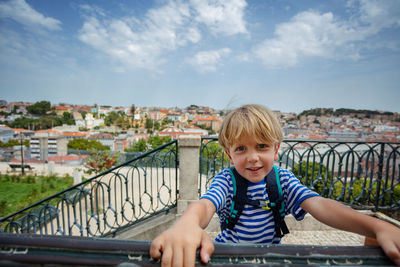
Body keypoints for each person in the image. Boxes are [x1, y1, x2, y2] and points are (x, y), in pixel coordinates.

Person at [150, 104, 400, 266]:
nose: (253, 157)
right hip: (227, 258)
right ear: (229, 155)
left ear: (276, 150)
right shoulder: (227, 181)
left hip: (269, 259)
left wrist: (377, 227)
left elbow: (320, 205)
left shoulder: (283, 180)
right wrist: (187, 224)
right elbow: (205, 205)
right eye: (241, 148)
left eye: (261, 146)